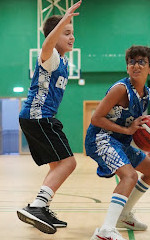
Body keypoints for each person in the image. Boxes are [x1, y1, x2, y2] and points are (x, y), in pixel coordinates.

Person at [17, 0, 82, 235]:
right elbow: (46, 45)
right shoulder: (52, 56)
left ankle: (42, 208)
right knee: (69, 162)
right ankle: (37, 206)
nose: (72, 37)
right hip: (38, 116)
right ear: (56, 36)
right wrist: (63, 20)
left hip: (40, 117)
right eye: (67, 33)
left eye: (72, 33)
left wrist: (65, 25)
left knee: (57, 164)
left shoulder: (63, 61)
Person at [85, 45, 150, 240]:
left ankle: (123, 216)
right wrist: (128, 130)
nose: (136, 65)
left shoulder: (147, 93)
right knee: (129, 176)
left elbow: (133, 122)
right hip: (100, 138)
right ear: (127, 67)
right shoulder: (120, 89)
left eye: (141, 62)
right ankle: (106, 230)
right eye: (132, 62)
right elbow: (96, 119)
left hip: (121, 141)